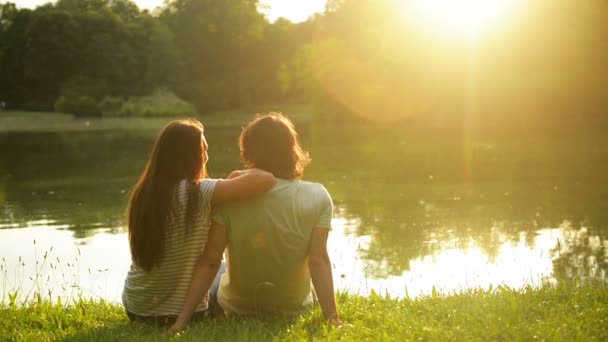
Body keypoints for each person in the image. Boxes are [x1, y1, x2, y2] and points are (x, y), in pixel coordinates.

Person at [170, 113, 340, 332]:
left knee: (220, 267)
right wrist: (332, 318)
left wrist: (181, 320)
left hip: (236, 308)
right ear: (292, 151)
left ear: (248, 152)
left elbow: (210, 260)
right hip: (294, 308)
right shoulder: (318, 195)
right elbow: (318, 260)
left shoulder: (232, 197)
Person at [122, 118, 276, 326]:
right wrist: (237, 176)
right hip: (176, 314)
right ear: (189, 156)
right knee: (227, 270)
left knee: (217, 266)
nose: (206, 156)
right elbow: (265, 179)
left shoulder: (144, 193)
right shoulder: (198, 192)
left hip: (136, 308)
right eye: (203, 150)